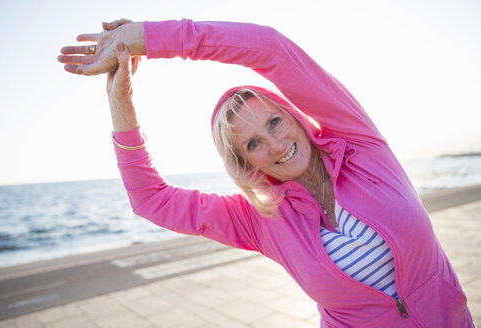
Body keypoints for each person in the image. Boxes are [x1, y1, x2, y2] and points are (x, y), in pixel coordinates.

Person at [58, 19, 474, 327]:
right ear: (245, 163)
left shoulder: (363, 147)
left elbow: (270, 48)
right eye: (253, 144)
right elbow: (151, 200)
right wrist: (121, 98)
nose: (274, 145)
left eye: (273, 123)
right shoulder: (259, 219)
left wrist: (148, 38)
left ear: (292, 113)